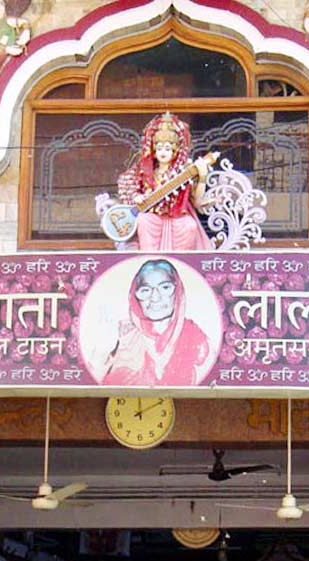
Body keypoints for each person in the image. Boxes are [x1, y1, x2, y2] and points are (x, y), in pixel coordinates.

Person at [103, 260, 210, 386]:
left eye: (165, 287)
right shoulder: (124, 338)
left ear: (178, 291)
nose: (155, 298)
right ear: (134, 296)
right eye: (145, 290)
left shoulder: (196, 339)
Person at [117, 113, 214, 252]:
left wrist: (203, 175)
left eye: (168, 148)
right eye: (159, 148)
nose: (163, 152)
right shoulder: (146, 171)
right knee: (144, 221)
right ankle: (149, 260)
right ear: (154, 150)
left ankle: (181, 264)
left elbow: (197, 202)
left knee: (189, 226)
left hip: (178, 216)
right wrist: (136, 197)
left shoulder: (183, 171)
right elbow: (132, 187)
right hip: (154, 216)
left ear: (175, 151)